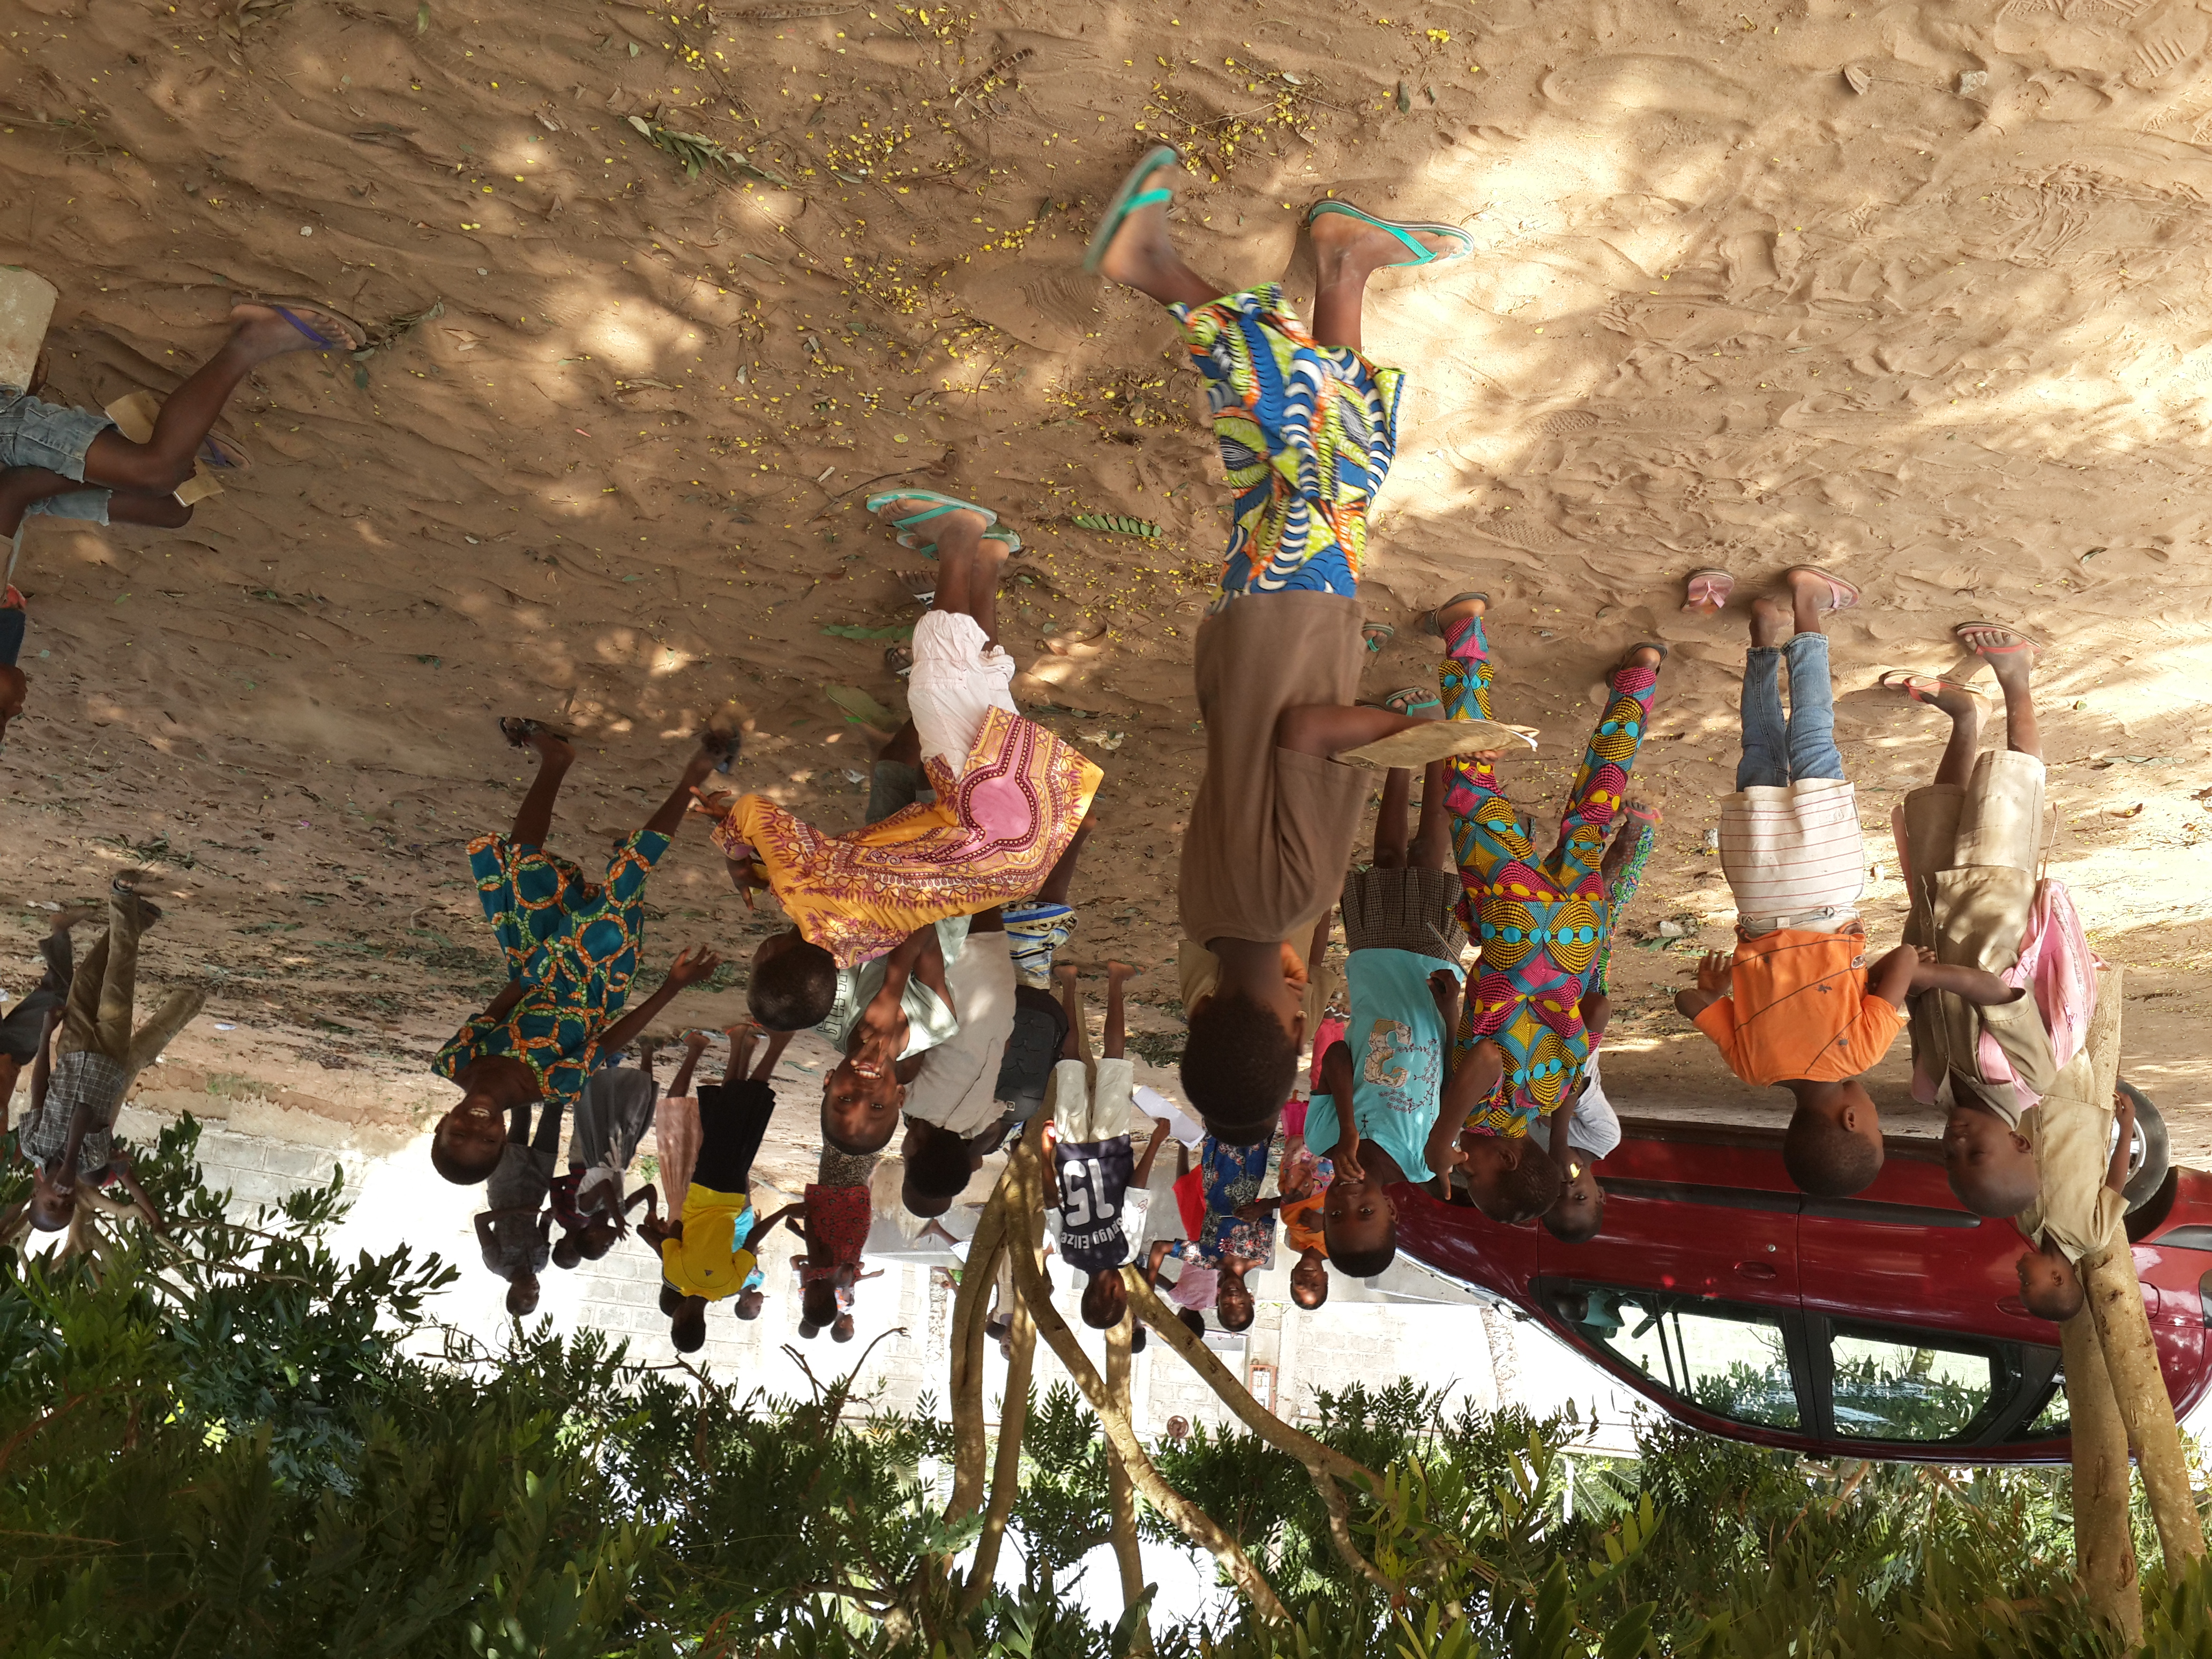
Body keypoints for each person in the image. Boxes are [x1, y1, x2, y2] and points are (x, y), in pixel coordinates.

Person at [1084, 145, 1501, 1147]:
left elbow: (1310, 734)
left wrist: (1416, 734)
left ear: (1286, 1022)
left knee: (1330, 458)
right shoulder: (1202, 913)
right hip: (1244, 644)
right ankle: (1343, 266)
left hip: (1295, 634)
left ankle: (1155, 268)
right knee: (1306, 463)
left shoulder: (1293, 900)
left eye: (1297, 1028)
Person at [1673, 576, 2021, 1199]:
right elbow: (1688, 1002)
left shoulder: (1858, 1054)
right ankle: (1764, 631)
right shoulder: (1750, 1066)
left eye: (1876, 1127)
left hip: (1825, 884)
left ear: (1853, 1121)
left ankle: (1809, 603)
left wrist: (1895, 974)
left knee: (1813, 740)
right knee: (1760, 750)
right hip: (1756, 891)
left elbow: (1906, 962)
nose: (1876, 1114)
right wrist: (1721, 990)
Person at [706, 497, 1101, 1025]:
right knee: (938, 681)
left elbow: (820, 873)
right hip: (980, 816)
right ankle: (960, 532)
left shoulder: (860, 943)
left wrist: (761, 870)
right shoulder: (805, 893)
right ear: (766, 953)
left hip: (1020, 852)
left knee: (982, 688)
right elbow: (753, 811)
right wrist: (735, 854)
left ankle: (988, 561)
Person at [0, 301, 368, 739]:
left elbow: (15, 489)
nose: (19, 706)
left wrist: (122, 477)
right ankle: (167, 436)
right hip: (11, 496)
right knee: (172, 509)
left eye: (4, 712)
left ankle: (253, 338)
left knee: (155, 475)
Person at [1421, 591, 1667, 1157]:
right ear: (1509, 1164)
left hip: (1578, 936)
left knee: (1594, 811)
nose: (1466, 1166)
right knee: (1471, 786)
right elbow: (1486, 1057)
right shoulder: (1486, 1117)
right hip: (1518, 926)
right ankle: (1464, 631)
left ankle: (1641, 675)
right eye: (1475, 1176)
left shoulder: (1552, 1096)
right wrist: (1441, 1138)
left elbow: (1597, 1011)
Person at [429, 721, 729, 1185]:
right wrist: (672, 987)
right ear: (504, 1139)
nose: (477, 1126)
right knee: (626, 879)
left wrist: (532, 970)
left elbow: (495, 1012)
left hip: (532, 968)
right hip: (596, 980)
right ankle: (695, 775)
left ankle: (556, 759)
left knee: (522, 860)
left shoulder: (454, 1063)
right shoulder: (554, 1086)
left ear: (442, 1125)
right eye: (487, 1141)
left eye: (459, 1134)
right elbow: (610, 1041)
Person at [1878, 627, 2073, 1210]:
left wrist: (1902, 981)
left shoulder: (1931, 1089)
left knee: (1940, 811)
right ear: (2019, 1142)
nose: (1957, 1145)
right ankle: (2017, 678)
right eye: (1977, 1154)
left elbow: (1919, 1010)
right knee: (2010, 789)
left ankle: (1966, 718)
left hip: (1936, 917)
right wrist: (1924, 978)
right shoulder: (2028, 1079)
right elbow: (1996, 992)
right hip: (1995, 906)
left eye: (1951, 1159)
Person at [1302, 754, 1468, 1257]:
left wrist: (1349, 1130)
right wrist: (1452, 1014)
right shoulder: (1426, 1160)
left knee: (1388, 858)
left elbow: (1335, 1056)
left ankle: (1402, 757)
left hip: (1373, 961)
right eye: (1366, 1214)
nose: (1349, 1202)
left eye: (1335, 1215)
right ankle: (1439, 756)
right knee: (1428, 856)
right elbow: (1452, 1078)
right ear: (1392, 1209)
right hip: (1431, 974)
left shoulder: (1322, 1139)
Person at [11, 877, 201, 1235]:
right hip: (108, 1057)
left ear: (36, 1193)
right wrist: (71, 1164)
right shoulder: (93, 1160)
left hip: (71, 1051)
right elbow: (84, 1112)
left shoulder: (32, 1144)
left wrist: (46, 1034)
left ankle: (136, 920)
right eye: (67, 1206)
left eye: (51, 1203)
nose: (62, 1198)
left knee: (87, 977)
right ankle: (122, 898)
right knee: (118, 981)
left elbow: (39, 1089)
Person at [638, 1032, 799, 1354]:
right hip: (702, 1188)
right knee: (729, 1115)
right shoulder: (675, 1274)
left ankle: (746, 1046)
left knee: (738, 1119)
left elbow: (752, 1240)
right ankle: (771, 1044)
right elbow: (676, 1228)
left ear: (704, 1324)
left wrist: (783, 1212)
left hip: (734, 1197)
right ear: (679, 1319)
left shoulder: (730, 1286)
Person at [1044, 962, 1150, 1331]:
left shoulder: (1125, 1252)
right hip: (1069, 1150)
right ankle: (1069, 982)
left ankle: (1116, 979)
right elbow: (1051, 1200)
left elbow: (1135, 1193)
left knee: (1114, 1062)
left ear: (1113, 1293)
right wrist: (1046, 1152)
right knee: (1070, 1063)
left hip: (1111, 1148)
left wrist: (1157, 1141)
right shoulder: (1068, 1253)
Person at [900, 908, 1017, 1214]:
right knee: (955, 897)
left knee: (987, 901)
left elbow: (993, 1126)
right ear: (914, 1149)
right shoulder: (912, 1101)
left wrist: (973, 1154)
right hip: (957, 969)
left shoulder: (973, 1122)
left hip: (999, 983)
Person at [815, 920, 958, 1157]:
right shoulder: (935, 1022)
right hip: (943, 903)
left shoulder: (821, 1014)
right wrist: (890, 996)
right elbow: (926, 927)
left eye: (845, 1099)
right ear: (899, 1097)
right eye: (877, 1106)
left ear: (829, 1081)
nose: (863, 1092)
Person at [549, 1038, 671, 1269]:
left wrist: (618, 1216)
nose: (611, 1244)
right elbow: (649, 1190)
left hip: (597, 1149)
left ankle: (596, 1053)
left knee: (600, 1101)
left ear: (591, 1235)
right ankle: (647, 1050)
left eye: (604, 1246)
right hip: (620, 1155)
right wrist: (652, 1212)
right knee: (640, 1106)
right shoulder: (620, 1210)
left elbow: (604, 1185)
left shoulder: (586, 1208)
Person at [2014, 1089, 2133, 1322]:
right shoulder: (2092, 1237)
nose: (2019, 1274)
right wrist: (2127, 1127)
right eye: (2026, 1282)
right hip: (2075, 1105)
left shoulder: (2027, 1225)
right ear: (2057, 1278)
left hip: (2029, 1105)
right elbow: (2114, 1185)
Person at [1530, 1048, 1621, 1244]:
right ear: (1600, 1195)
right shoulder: (1605, 1137)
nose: (1568, 1188)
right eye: (1580, 1197)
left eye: (1557, 1197)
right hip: (1575, 1040)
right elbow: (1574, 1082)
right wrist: (1559, 1143)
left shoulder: (1536, 1153)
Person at [1236, 1131, 1333, 1309]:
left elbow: (1291, 1202)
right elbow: (1356, 1213)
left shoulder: (1292, 1242)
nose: (1307, 1279)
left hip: (1300, 1159)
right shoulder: (1339, 1247)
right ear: (1325, 1278)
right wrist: (1327, 1224)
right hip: (1331, 1158)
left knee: (1303, 1126)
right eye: (1315, 1285)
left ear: (1292, 1275)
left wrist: (1264, 1207)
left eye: (1300, 1283)